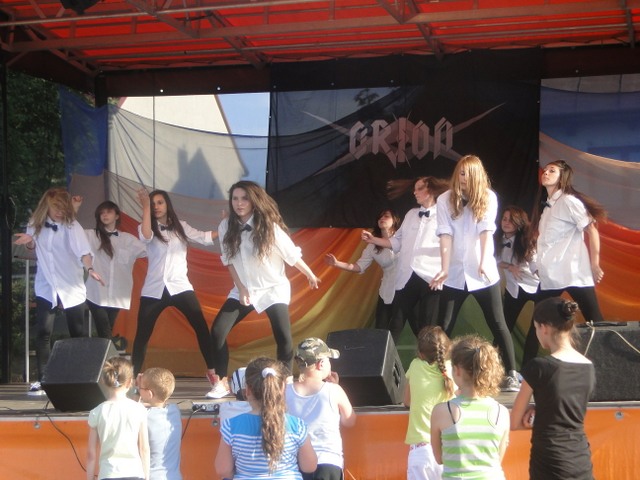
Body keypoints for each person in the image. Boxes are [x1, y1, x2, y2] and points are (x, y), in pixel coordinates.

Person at [208, 181, 320, 399]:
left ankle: (285, 383)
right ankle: (221, 382)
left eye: (244, 198)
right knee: (218, 331)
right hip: (244, 288)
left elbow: (291, 255)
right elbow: (229, 260)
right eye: (235, 199)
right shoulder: (225, 226)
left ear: (254, 200)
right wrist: (241, 289)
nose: (239, 203)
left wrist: (310, 274)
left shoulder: (269, 227)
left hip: (272, 288)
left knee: (283, 335)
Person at [430, 155, 520, 392]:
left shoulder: (488, 197)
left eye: (468, 174)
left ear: (477, 176)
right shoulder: (444, 199)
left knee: (498, 322)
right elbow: (445, 234)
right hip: (455, 273)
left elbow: (485, 232)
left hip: (483, 273)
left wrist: (483, 262)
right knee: (444, 324)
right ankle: (437, 372)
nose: (463, 178)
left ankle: (511, 373)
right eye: (461, 173)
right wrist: (444, 268)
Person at [14, 188, 104, 395]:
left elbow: (84, 253)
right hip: (46, 285)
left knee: (77, 333)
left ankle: (80, 377)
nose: (59, 211)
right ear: (47, 206)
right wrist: (29, 243)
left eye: (63, 207)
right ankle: (43, 379)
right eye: (56, 207)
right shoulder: (35, 224)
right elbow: (32, 247)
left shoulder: (72, 226)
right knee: (43, 332)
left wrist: (90, 269)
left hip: (71, 285)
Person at [132, 188, 218, 393]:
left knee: (201, 327)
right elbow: (146, 236)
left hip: (180, 286)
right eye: (153, 203)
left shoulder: (181, 227)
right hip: (154, 288)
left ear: (167, 204)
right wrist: (145, 207)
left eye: (160, 202)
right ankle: (134, 379)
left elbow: (205, 237)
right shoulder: (145, 226)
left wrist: (226, 226)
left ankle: (213, 373)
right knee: (142, 334)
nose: (156, 207)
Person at [510, 297, 595, 480]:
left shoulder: (539, 367)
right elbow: (567, 409)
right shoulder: (588, 367)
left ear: (544, 328)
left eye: (535, 328)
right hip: (580, 458)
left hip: (550, 458)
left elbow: (515, 422)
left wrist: (536, 413)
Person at [362, 176, 449, 340]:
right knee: (396, 322)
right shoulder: (411, 214)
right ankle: (386, 357)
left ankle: (429, 356)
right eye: (414, 189)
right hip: (407, 276)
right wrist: (373, 240)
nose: (415, 192)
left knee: (426, 327)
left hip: (430, 277)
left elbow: (449, 244)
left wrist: (445, 269)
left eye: (419, 188)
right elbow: (397, 241)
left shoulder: (443, 214)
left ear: (430, 190)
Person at [529, 159, 607, 329]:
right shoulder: (547, 208)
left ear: (562, 177)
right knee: (538, 323)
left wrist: (595, 264)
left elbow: (592, 230)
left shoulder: (569, 201)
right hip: (551, 275)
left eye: (552, 171)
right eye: (545, 170)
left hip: (573, 273)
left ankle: (611, 347)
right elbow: (545, 243)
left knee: (596, 321)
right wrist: (538, 266)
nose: (546, 173)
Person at [215, 356, 317, 479]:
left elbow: (223, 470)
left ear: (247, 390)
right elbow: (309, 466)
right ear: (282, 388)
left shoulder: (231, 426)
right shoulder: (297, 425)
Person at [430, 335, 510, 480]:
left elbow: (439, 458)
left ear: (457, 370)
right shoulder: (502, 412)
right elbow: (497, 460)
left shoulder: (441, 411)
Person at [285, 337, 357, 480]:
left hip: (296, 463)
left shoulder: (286, 391)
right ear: (321, 364)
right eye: (329, 360)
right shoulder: (334, 390)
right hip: (328, 462)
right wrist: (336, 386)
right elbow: (350, 420)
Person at [325, 209, 401, 336]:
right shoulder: (372, 246)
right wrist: (337, 263)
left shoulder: (402, 238)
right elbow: (359, 267)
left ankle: (431, 346)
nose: (382, 218)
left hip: (406, 287)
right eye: (380, 217)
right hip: (387, 289)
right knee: (381, 328)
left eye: (386, 216)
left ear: (395, 221)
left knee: (409, 323)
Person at [82, 200, 147, 340]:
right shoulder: (90, 235)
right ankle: (110, 353)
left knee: (107, 332)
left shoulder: (128, 240)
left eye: (109, 212)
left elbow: (150, 250)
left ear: (117, 216)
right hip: (96, 292)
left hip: (118, 294)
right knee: (105, 331)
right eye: (102, 213)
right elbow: (72, 236)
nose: (105, 215)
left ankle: (106, 353)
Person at [403, 326, 456, 480]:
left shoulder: (415, 366)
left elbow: (407, 401)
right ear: (447, 349)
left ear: (420, 353)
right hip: (447, 449)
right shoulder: (451, 370)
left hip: (421, 452)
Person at [86, 356, 150, 480]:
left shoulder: (97, 412)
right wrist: (147, 476)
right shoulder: (139, 409)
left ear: (104, 381)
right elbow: (144, 449)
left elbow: (91, 454)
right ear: (130, 382)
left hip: (107, 474)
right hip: (134, 473)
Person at [495, 206, 539, 366]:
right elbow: (494, 260)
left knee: (536, 330)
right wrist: (510, 266)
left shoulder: (526, 240)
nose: (506, 223)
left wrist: (540, 274)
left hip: (535, 285)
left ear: (519, 223)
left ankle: (528, 368)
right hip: (514, 288)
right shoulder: (496, 239)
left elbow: (534, 262)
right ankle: (492, 363)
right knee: (504, 325)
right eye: (504, 219)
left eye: (511, 220)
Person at [137, 367, 183, 480]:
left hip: (151, 476)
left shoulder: (143, 415)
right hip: (174, 476)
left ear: (149, 393)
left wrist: (136, 391)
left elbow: (131, 409)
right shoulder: (174, 411)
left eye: (140, 388)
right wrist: (143, 386)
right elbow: (155, 404)